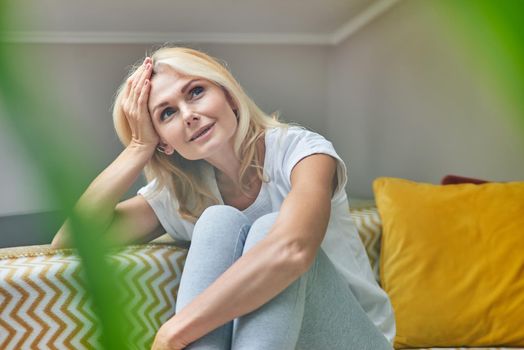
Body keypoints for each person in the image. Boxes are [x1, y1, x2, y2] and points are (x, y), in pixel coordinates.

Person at [51, 46, 395, 350]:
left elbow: (292, 250)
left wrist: (173, 333)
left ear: (230, 96)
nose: (188, 114)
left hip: (357, 340)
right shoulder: (182, 196)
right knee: (218, 221)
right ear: (164, 141)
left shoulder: (302, 152)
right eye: (166, 113)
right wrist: (139, 148)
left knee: (271, 230)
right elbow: (70, 241)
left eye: (196, 92)